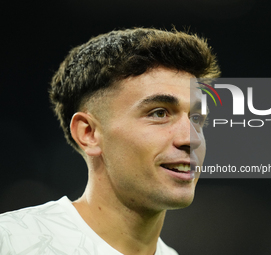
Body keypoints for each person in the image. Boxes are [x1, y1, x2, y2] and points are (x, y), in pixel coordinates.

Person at [0, 28, 220, 255]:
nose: (190, 139)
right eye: (159, 113)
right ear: (89, 133)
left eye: (196, 118)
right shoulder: (12, 242)